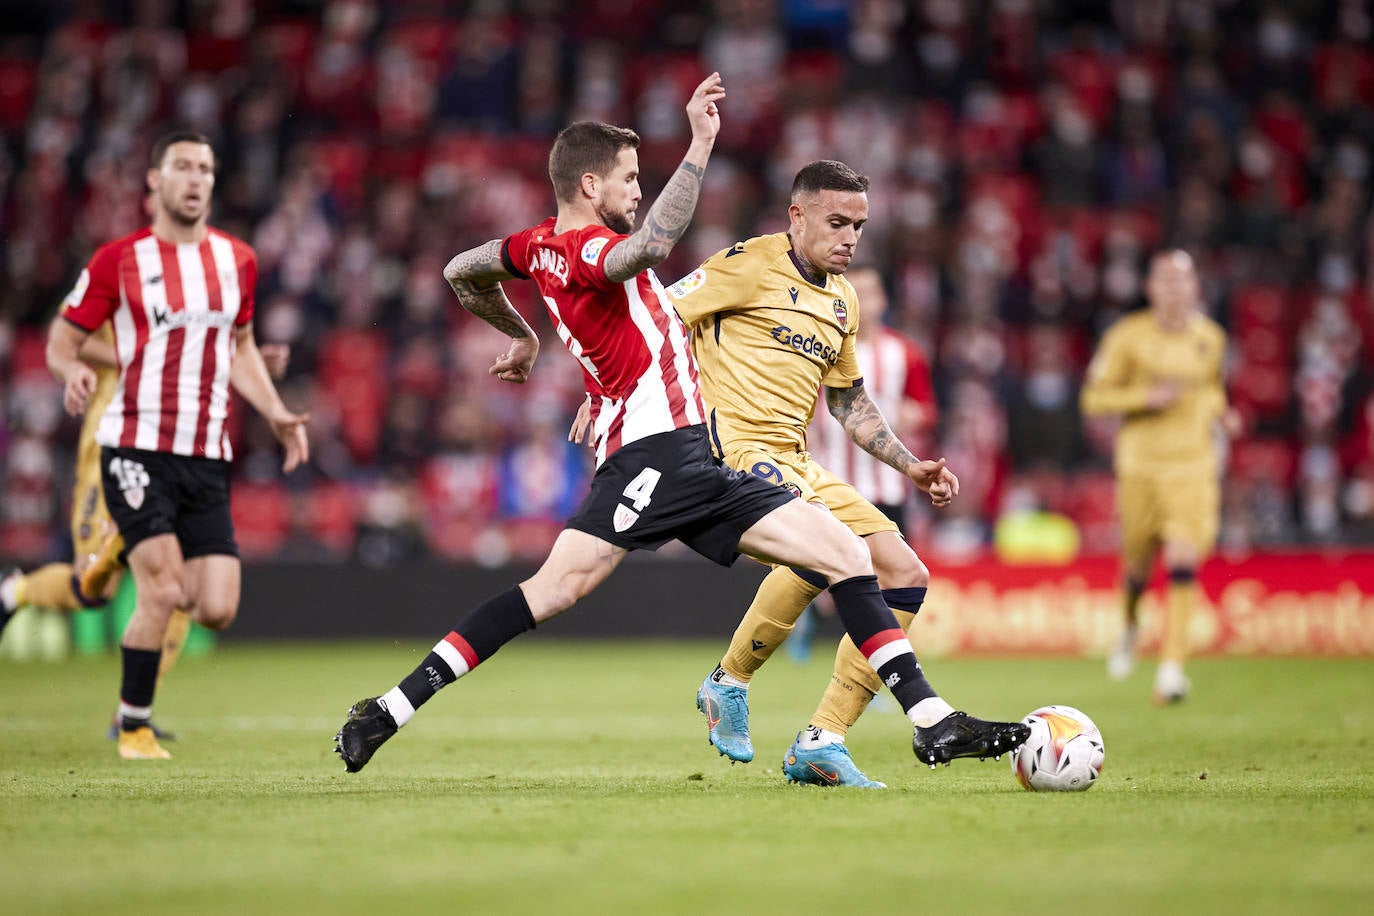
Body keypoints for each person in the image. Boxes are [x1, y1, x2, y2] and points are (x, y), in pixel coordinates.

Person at [333, 75, 1023, 776]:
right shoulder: (587, 251)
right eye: (630, 179)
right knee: (552, 591)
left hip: (697, 457)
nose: (638, 191)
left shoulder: (532, 246)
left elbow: (462, 270)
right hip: (652, 457)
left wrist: (523, 335)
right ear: (590, 184)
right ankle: (391, 708)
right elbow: (650, 250)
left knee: (845, 554)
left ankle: (933, 722)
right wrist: (699, 144)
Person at [657, 160, 1026, 787]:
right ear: (795, 216)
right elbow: (657, 322)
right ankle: (733, 680)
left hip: (798, 460)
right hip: (736, 453)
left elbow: (848, 402)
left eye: (858, 225)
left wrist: (911, 467)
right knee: (827, 549)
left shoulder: (843, 298)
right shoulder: (746, 263)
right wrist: (607, 393)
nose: (850, 237)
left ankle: (822, 737)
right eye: (836, 222)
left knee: (906, 573)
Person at [44, 130, 309, 759]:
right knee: (160, 591)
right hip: (135, 445)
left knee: (215, 607)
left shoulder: (237, 260)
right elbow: (62, 338)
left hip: (206, 454)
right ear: (154, 182)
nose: (195, 179)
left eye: (206, 169)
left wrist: (274, 411)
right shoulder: (119, 260)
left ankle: (115, 547)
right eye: (183, 167)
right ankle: (133, 725)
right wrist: (71, 370)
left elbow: (239, 346)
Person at [0, 331, 288, 740]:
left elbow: (193, 358)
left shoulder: (192, 285)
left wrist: (246, 361)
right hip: (109, 448)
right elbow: (67, 339)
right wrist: (136, 356)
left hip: (172, 451)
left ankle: (133, 713)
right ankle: (16, 592)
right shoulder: (116, 273)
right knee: (92, 589)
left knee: (183, 585)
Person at [1080, 249, 1239, 703]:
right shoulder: (1127, 337)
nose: (1174, 289)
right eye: (1165, 280)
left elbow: (1211, 389)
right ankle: (1130, 625)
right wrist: (1145, 397)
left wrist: (1222, 413)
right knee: (1137, 567)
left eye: (1182, 280)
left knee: (1184, 560)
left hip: (1193, 466)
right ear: (1151, 288)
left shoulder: (1211, 338)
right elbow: (1094, 398)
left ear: (1195, 287)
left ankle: (1172, 670)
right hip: (1140, 467)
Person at [789, 265, 937, 661]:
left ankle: (870, 659)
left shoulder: (904, 353)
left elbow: (926, 409)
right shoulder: (819, 345)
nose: (864, 302)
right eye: (857, 292)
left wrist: (912, 416)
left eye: (871, 293)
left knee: (889, 577)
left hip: (887, 484)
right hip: (833, 478)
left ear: (884, 300)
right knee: (837, 572)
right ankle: (819, 621)